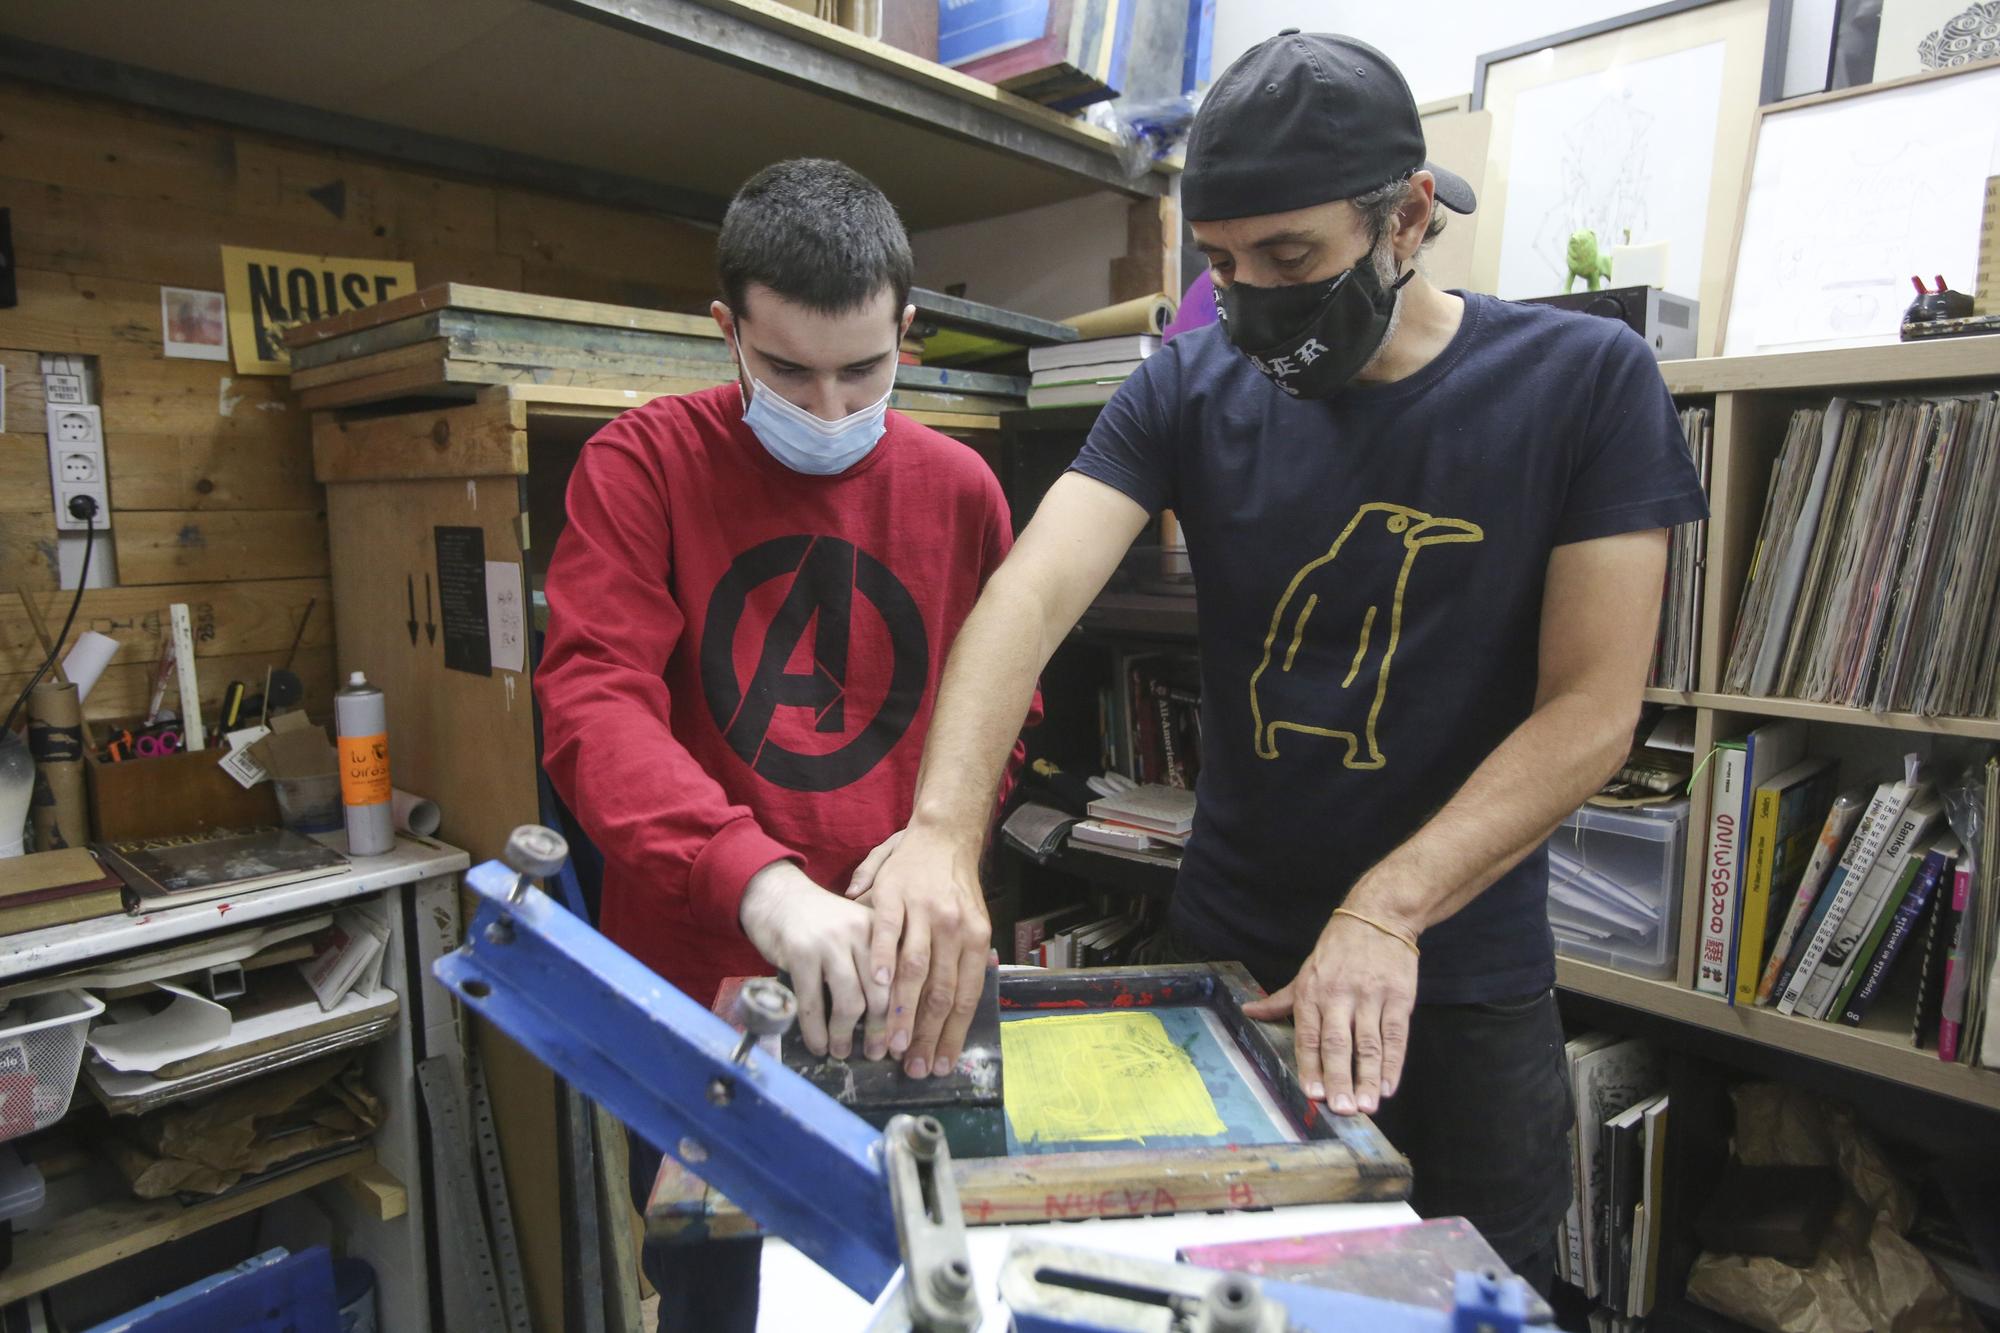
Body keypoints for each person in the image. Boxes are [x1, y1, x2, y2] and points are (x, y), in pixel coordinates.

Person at [854, 32, 1707, 1289]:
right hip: (1229, 953)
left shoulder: (1581, 382)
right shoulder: (1188, 385)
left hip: (1454, 973)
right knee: (1222, 1287)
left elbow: (1589, 712)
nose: (1249, 296)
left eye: (1290, 257)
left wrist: (1390, 906)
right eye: (1219, 264)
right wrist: (938, 826)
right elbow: (1025, 598)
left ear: (1408, 215)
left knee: (1466, 1297)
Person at [535, 158, 1032, 1331]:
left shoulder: (961, 490)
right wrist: (753, 878)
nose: (825, 410)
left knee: (928, 1292)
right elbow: (593, 703)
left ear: (907, 330)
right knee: (722, 1302)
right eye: (785, 369)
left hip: (912, 990)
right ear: (727, 331)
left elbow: (1003, 719)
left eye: (862, 370)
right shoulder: (641, 464)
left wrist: (939, 844)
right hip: (699, 995)